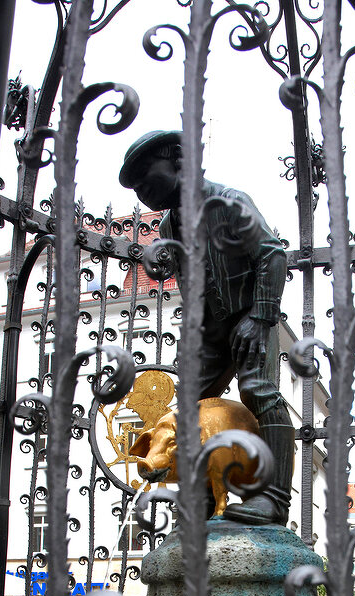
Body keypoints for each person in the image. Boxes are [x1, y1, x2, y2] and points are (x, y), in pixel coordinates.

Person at [119, 130, 294, 526]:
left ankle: (275, 500)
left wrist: (262, 315)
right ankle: (200, 499)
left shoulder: (229, 202)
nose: (143, 192)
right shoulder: (168, 227)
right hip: (210, 330)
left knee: (259, 391)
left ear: (179, 160)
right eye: (137, 189)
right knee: (188, 406)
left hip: (251, 315)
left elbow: (272, 255)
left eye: (148, 179)